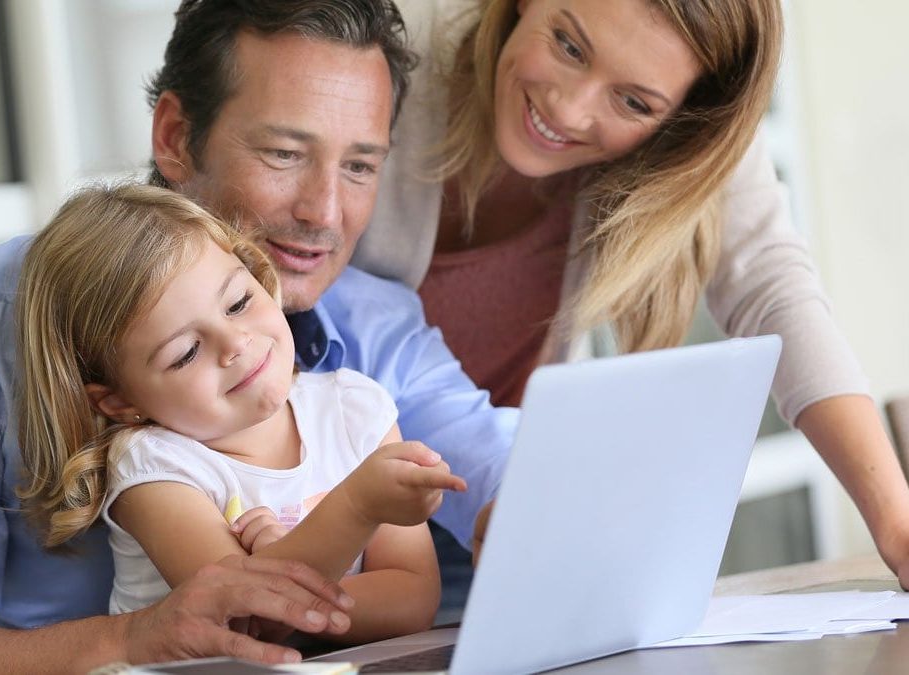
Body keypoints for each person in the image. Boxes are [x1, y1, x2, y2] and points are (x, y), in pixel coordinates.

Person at [0, 1, 516, 672]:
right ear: (174, 137)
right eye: (284, 153)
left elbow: (504, 475)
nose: (325, 212)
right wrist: (132, 637)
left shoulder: (374, 332)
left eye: (360, 165)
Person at [353, 0, 909, 584]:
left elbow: (771, 285)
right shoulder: (389, 45)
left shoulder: (695, 126)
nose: (567, 108)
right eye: (568, 45)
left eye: (634, 102)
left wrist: (896, 523)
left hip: (494, 510)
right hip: (317, 510)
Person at [17, 183, 465, 644]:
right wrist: (356, 508)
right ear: (120, 402)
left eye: (238, 303)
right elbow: (242, 620)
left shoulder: (354, 409)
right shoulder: (153, 467)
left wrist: (287, 573)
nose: (235, 345)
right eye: (186, 353)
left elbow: (412, 604)